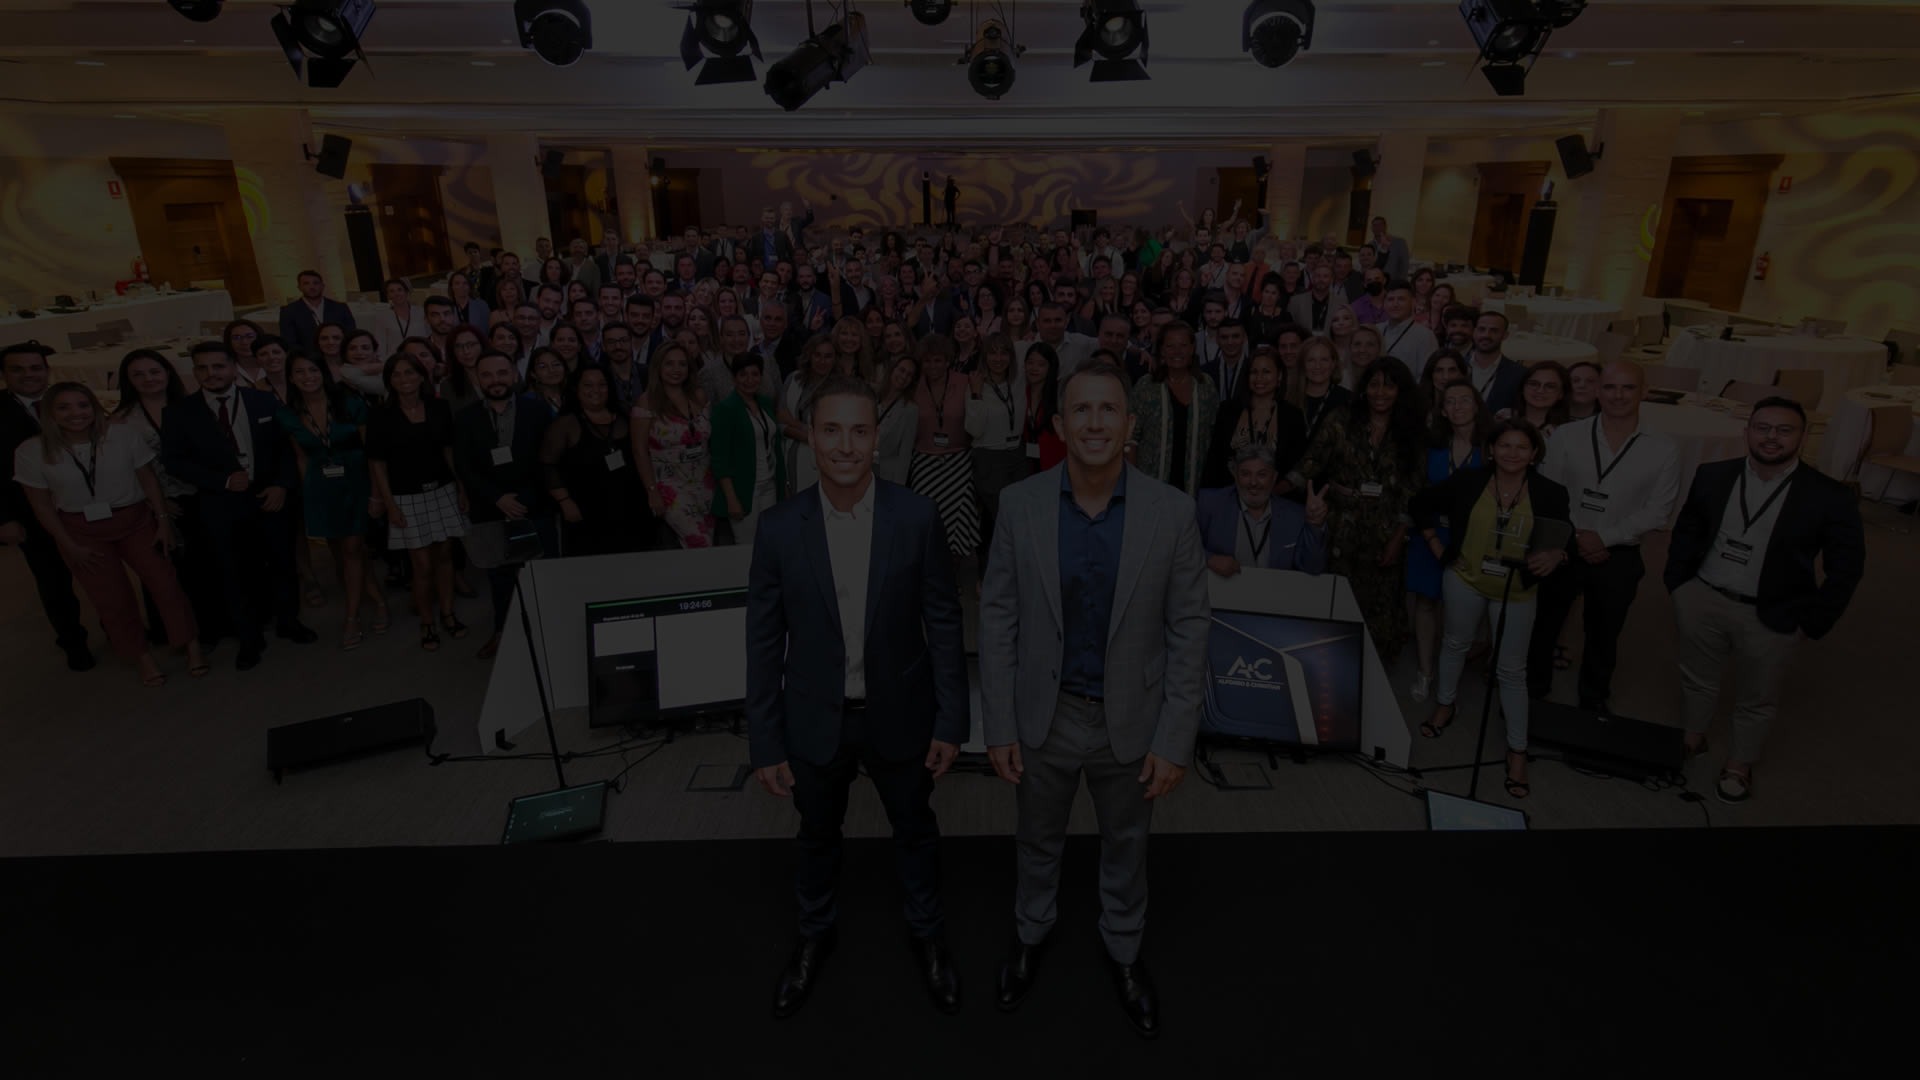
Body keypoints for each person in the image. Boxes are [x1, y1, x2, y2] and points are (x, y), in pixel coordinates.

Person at [979, 360, 1210, 1039]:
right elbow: (997, 618)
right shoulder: (1019, 505)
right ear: (1059, 423)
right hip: (1043, 718)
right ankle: (1031, 934)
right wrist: (998, 724)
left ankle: (1125, 950)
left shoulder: (1173, 513)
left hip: (1131, 723)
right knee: (1036, 841)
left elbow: (1190, 629)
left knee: (1126, 847)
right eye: (1081, 409)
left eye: (1108, 409)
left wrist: (1175, 740)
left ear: (1130, 424)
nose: (1095, 422)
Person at [745, 375, 970, 1019]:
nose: (845, 444)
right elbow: (764, 642)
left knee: (915, 830)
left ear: (877, 439)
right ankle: (815, 934)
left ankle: (927, 934)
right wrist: (766, 742)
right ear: (810, 438)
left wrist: (952, 720)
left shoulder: (916, 517)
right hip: (814, 719)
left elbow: (943, 622)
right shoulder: (778, 528)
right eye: (831, 430)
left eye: (860, 430)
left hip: (900, 713)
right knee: (817, 835)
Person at [1664, 398, 1864, 804]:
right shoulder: (1713, 475)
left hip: (1774, 612)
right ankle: (1692, 737)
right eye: (1763, 428)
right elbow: (1687, 530)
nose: (1771, 437)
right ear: (1747, 432)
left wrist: (1812, 622)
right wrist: (1679, 585)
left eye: (1784, 430)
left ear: (1803, 437)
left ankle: (1740, 763)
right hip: (1704, 597)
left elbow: (1847, 568)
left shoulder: (1829, 495)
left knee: (1758, 696)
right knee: (1697, 677)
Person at [1411, 418, 1573, 799]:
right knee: (1454, 643)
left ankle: (1517, 751)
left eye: (1521, 447)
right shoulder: (1468, 482)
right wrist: (1436, 546)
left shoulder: (1551, 492)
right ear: (1491, 450)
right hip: (1464, 579)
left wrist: (1557, 555)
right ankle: (1445, 705)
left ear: (1534, 453)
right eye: (1504, 445)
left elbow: (1565, 540)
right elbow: (1419, 503)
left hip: (1516, 591)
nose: (1512, 453)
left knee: (1511, 671)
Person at [14, 382, 206, 686]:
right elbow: (41, 506)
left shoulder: (122, 435)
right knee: (112, 599)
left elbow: (148, 480)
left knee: (165, 583)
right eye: (63, 407)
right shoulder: (32, 451)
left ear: (94, 407)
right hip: (80, 531)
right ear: (49, 413)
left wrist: (163, 522)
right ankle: (141, 657)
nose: (76, 413)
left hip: (135, 520)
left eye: (83, 405)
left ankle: (191, 645)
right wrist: (68, 544)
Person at [1530, 361, 1680, 712]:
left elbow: (1658, 511)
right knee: (1544, 625)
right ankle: (1532, 692)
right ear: (1597, 391)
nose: (1618, 395)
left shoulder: (1663, 448)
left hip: (1618, 554)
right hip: (1562, 546)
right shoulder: (1566, 436)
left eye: (1628, 387)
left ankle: (1593, 701)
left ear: (1644, 392)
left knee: (1604, 634)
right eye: (1610, 387)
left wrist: (1605, 537)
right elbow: (1549, 492)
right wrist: (1580, 537)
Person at [162, 341, 316, 670]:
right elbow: (174, 461)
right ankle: (249, 637)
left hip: (269, 497)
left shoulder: (263, 401)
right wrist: (221, 481)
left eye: (218, 366)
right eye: (202, 368)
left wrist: (281, 485)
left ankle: (289, 621)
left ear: (233, 367)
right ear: (194, 372)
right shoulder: (179, 412)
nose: (211, 373)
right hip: (221, 503)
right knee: (233, 572)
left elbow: (285, 450)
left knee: (282, 562)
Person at [1287, 358, 1426, 661]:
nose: (1380, 392)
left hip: (1387, 530)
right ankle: (1332, 666)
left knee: (1382, 605)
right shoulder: (1341, 418)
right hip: (1341, 527)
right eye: (1374, 385)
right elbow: (1311, 462)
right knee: (1338, 599)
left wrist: (1398, 537)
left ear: (1400, 391)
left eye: (1389, 386)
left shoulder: (1411, 428)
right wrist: (1268, 490)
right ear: (1364, 388)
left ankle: (1375, 669)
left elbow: (1413, 489)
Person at [278, 353, 387, 650]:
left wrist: (377, 493)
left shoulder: (349, 403)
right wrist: (310, 499)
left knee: (352, 548)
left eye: (313, 370)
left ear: (323, 373)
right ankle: (378, 600)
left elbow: (372, 452)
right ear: (291, 378)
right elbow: (301, 459)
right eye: (300, 372)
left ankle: (351, 617)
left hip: (356, 483)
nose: (307, 377)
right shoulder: (287, 414)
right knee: (344, 552)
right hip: (322, 488)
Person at [366, 350, 470, 653]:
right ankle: (427, 622)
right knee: (422, 566)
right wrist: (389, 504)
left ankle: (448, 613)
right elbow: (377, 463)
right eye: (396, 374)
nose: (404, 379)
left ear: (421, 376)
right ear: (389, 380)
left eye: (409, 372)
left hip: (443, 490)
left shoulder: (439, 407)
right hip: (405, 497)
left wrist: (461, 487)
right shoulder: (380, 415)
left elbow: (449, 450)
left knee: (445, 557)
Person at [456, 352, 558, 660]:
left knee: (542, 573)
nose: (495, 380)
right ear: (478, 379)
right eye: (487, 375)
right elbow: (465, 466)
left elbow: (548, 459)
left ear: (514, 374)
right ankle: (501, 632)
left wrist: (524, 498)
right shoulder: (465, 417)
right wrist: (497, 498)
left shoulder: (537, 410)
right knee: (499, 577)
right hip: (490, 509)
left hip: (534, 506)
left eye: (502, 373)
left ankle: (548, 633)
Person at [1, 342, 93, 668]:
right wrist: (3, 519)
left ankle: (118, 629)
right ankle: (72, 641)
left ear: (46, 370)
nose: (29, 375)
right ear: (4, 374)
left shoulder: (66, 401)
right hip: (28, 512)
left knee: (100, 574)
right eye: (18, 369)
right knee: (53, 581)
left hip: (82, 505)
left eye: (35, 368)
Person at [1406, 380, 1491, 703]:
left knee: (1461, 608)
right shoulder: (1432, 447)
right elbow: (1417, 493)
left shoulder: (1491, 449)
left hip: (1472, 538)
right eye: (1450, 402)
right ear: (1442, 411)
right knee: (1426, 602)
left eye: (1464, 400)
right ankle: (1425, 671)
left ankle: (1450, 672)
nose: (1457, 407)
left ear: (1477, 405)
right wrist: (1430, 537)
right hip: (1429, 532)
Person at [541, 363, 650, 559]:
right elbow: (548, 466)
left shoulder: (625, 416)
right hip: (586, 512)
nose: (596, 390)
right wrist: (565, 501)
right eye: (588, 385)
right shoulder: (565, 424)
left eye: (602, 384)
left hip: (631, 508)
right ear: (577, 389)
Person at [631, 342, 717, 549]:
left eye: (682, 364)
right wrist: (652, 491)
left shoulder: (698, 396)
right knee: (700, 543)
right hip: (670, 486)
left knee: (708, 543)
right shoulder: (647, 402)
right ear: (658, 367)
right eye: (669, 364)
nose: (676, 369)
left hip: (705, 482)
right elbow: (639, 451)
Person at [1195, 443, 1329, 576]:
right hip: (1220, 589)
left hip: (1275, 590)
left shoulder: (1295, 515)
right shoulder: (1208, 503)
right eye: (1245, 474)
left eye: (1262, 475)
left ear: (1274, 477)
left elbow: (1313, 568)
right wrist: (1209, 559)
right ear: (1235, 476)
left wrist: (1315, 525)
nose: (1253, 482)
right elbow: (1185, 547)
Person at [907, 335, 980, 560]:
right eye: (927, 361)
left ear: (948, 361)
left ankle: (953, 569)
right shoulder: (913, 384)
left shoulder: (965, 381)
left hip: (958, 461)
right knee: (926, 518)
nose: (933, 366)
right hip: (924, 461)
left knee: (957, 520)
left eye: (938, 360)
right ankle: (929, 567)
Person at [1126, 322, 1219, 495]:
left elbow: (1214, 435)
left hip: (1195, 487)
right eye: (1170, 346)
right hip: (1151, 487)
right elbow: (1131, 437)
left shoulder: (1206, 385)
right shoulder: (1146, 386)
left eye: (1183, 345)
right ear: (1162, 350)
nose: (1177, 352)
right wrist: (1134, 482)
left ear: (1192, 348)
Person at [710, 354, 788, 544]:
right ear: (734, 377)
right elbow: (720, 459)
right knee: (747, 546)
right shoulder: (725, 409)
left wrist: (783, 484)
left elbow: (774, 446)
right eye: (743, 374)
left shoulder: (765, 403)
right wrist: (731, 498)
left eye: (755, 374)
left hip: (770, 484)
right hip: (744, 490)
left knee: (770, 542)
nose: (749, 379)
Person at [965, 334, 1028, 569]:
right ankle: (988, 571)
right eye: (992, 352)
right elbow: (974, 429)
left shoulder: (1018, 382)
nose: (998, 358)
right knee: (998, 518)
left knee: (1015, 517)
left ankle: (1010, 570)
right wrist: (976, 394)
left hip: (1017, 457)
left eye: (1004, 352)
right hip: (989, 457)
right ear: (984, 356)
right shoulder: (976, 384)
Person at [1201, 349, 1305, 489]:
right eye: (1254, 372)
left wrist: (1278, 491)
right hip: (1229, 494)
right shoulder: (1228, 410)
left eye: (1266, 372)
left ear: (1279, 376)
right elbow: (1214, 460)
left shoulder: (1293, 416)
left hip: (1275, 496)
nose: (1259, 378)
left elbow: (1298, 465)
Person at [277, 270, 357, 359]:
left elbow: (351, 334)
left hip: (339, 356)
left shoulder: (340, 308)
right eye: (306, 283)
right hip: (308, 358)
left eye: (316, 283)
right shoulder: (288, 311)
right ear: (299, 287)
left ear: (322, 286)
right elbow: (289, 341)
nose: (312, 287)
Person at [1465, 310, 1528, 415]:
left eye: (1494, 331)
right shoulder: (1455, 366)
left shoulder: (1518, 374)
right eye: (1481, 329)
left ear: (1505, 335)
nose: (1486, 335)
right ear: (1474, 332)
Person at [874, 353, 921, 486]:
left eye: (909, 375)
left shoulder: (910, 410)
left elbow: (904, 454)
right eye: (901, 370)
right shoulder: (872, 396)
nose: (904, 376)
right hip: (860, 469)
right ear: (892, 369)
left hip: (886, 475)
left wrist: (898, 487)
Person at [1378, 281, 1440, 377]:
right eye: (1390, 299)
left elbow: (1426, 376)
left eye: (1401, 299)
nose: (1395, 304)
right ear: (1384, 304)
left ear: (1413, 302)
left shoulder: (1425, 336)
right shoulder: (1376, 330)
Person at [1500, 361, 1571, 439]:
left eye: (1550, 386)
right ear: (1523, 388)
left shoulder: (1569, 429)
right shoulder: (1503, 418)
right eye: (1533, 384)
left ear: (1561, 394)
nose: (1540, 390)